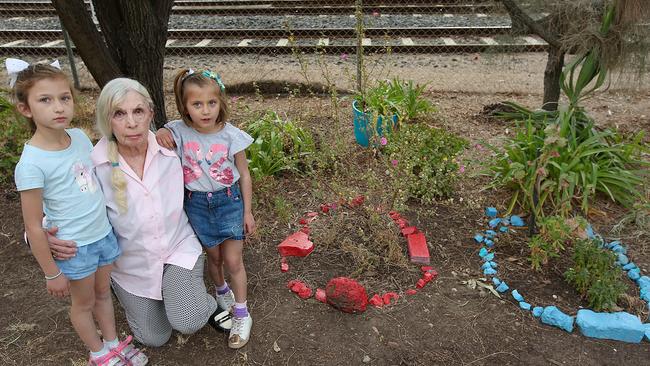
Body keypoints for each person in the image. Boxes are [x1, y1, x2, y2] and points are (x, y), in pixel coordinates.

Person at [47, 77, 227, 348]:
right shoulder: (93, 164)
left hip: (177, 249)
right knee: (155, 338)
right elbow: (59, 203)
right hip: (131, 267)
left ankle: (200, 301)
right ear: (108, 120)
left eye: (138, 111)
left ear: (150, 114)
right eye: (119, 114)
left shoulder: (173, 149)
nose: (131, 123)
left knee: (187, 319)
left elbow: (215, 144)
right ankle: (155, 297)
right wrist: (42, 234)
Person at [9, 59, 147, 366]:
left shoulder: (81, 138)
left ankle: (113, 344)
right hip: (75, 248)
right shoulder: (31, 164)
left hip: (103, 236)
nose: (58, 107)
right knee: (82, 303)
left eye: (64, 97)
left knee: (102, 294)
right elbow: (32, 225)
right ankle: (98, 353)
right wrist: (51, 272)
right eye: (45, 100)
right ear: (26, 109)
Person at [155, 68, 255, 349]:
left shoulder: (231, 136)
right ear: (185, 106)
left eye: (211, 102)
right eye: (196, 104)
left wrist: (247, 211)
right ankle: (222, 292)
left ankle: (241, 313)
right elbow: (164, 129)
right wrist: (162, 129)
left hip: (229, 202)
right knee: (214, 258)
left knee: (234, 261)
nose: (205, 110)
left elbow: (244, 174)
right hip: (197, 205)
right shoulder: (180, 131)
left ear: (220, 101)